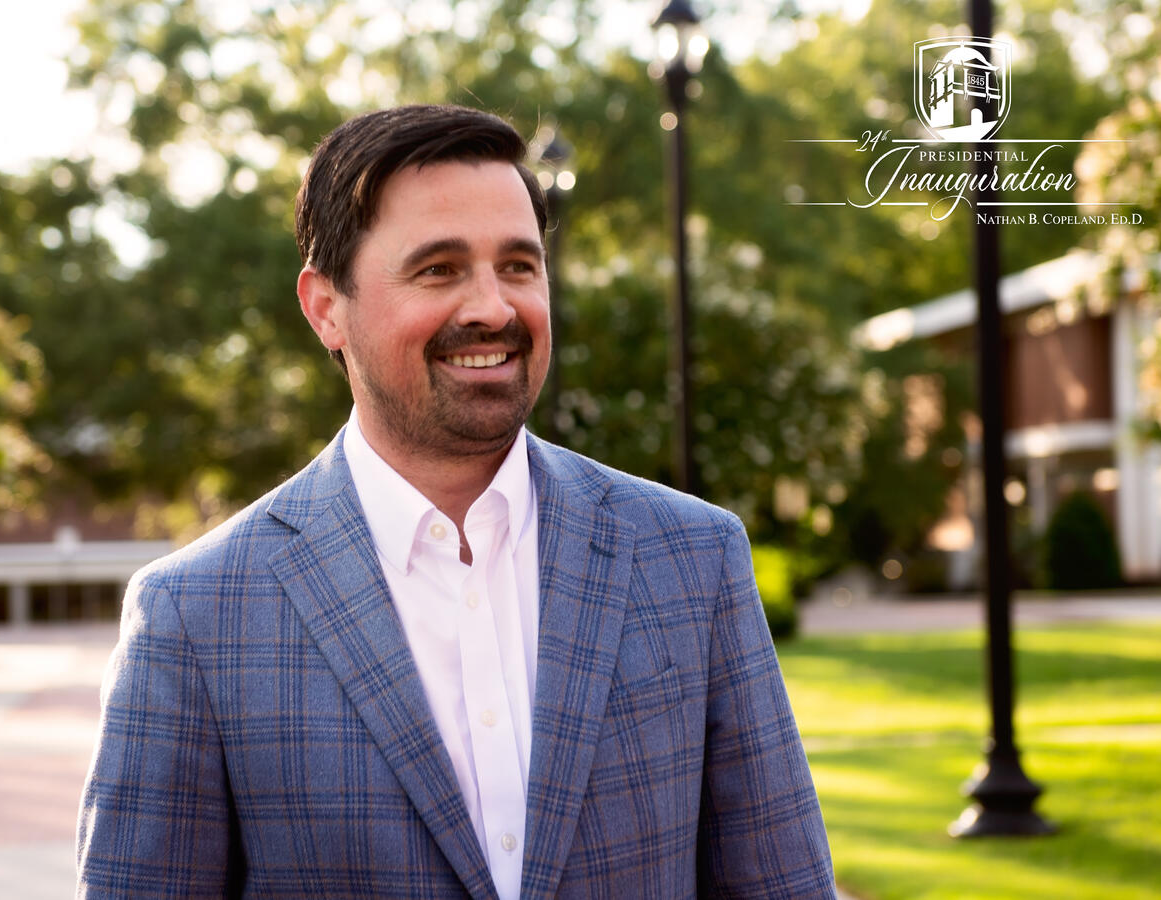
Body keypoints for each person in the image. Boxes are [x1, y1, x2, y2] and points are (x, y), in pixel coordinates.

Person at [77, 104, 836, 899]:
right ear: (325, 307)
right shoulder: (194, 617)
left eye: (518, 265)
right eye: (439, 268)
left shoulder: (693, 556)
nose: (493, 308)